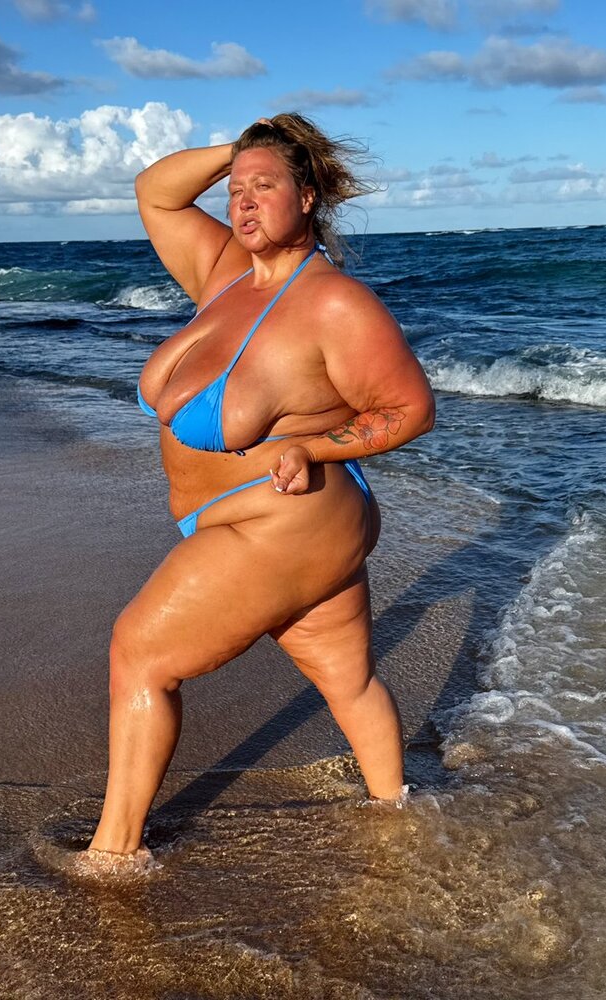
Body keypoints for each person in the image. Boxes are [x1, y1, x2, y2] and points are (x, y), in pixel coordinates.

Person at [83, 114, 435, 869]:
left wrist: (315, 446)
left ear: (307, 196)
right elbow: (155, 191)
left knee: (140, 654)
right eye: (234, 190)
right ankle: (402, 823)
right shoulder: (223, 274)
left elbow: (409, 409)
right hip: (269, 526)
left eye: (264, 187)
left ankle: (112, 858)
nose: (242, 202)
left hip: (284, 523)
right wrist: (244, 151)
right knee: (347, 680)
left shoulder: (335, 304)